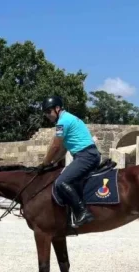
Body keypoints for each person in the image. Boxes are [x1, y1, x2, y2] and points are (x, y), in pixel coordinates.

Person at [40, 95, 101, 228]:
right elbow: (63, 149)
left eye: (48, 111)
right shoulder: (68, 118)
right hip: (88, 154)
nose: (47, 115)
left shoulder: (62, 122)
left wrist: (45, 162)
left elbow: (55, 146)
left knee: (61, 182)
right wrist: (53, 162)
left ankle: (82, 212)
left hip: (85, 156)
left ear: (57, 108)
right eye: (45, 113)